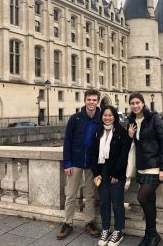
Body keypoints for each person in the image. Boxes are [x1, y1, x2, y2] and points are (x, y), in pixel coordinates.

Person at [127, 93, 163, 246]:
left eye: (137, 102)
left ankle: (152, 234)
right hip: (142, 167)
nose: (135, 106)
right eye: (132, 103)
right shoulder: (131, 121)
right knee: (149, 201)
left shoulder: (154, 119)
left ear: (143, 103)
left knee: (142, 197)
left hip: (155, 166)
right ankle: (150, 235)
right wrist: (130, 136)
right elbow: (133, 146)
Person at [57, 89, 102, 240]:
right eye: (89, 99)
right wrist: (67, 163)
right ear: (84, 101)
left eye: (94, 100)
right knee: (70, 194)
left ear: (98, 101)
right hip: (75, 162)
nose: (91, 102)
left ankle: (89, 222)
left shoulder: (101, 119)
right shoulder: (75, 118)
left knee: (90, 195)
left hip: (91, 164)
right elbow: (67, 141)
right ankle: (67, 223)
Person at [90, 106, 131, 246]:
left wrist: (117, 173)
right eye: (105, 115)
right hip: (102, 172)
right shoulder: (98, 131)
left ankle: (118, 231)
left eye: (110, 115)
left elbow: (124, 154)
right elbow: (93, 153)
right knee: (104, 202)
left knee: (117, 203)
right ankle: (106, 229)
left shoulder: (121, 132)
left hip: (116, 172)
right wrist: (96, 173)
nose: (107, 118)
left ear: (115, 116)